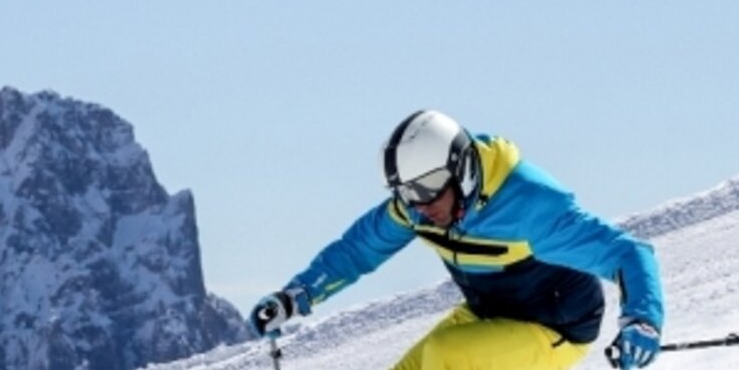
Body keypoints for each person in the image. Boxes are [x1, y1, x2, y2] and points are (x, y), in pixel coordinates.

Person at [248, 110, 665, 370]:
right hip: (490, 316)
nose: (419, 203)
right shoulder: (416, 207)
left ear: (461, 169)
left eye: (427, 187)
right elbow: (357, 251)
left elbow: (627, 253)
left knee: (446, 357)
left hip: (556, 327)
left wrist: (641, 320)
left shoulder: (528, 203)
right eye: (406, 190)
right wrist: (293, 296)